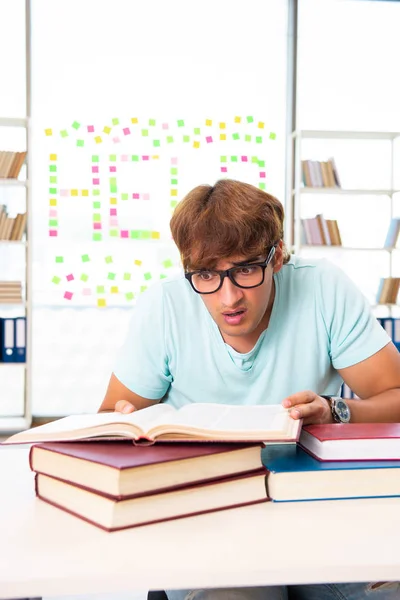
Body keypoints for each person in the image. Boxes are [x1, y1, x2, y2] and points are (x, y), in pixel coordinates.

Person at [99, 179, 400, 600]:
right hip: (211, 518)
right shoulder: (165, 306)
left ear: (276, 256)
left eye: (244, 270)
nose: (228, 298)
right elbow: (110, 421)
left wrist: (335, 410)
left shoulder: (323, 289)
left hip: (314, 512)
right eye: (206, 274)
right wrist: (127, 428)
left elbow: (395, 397)